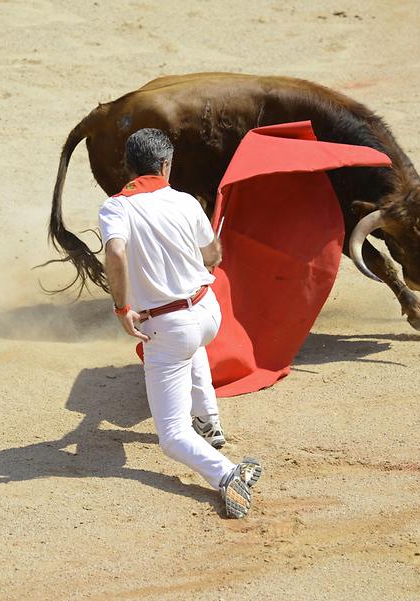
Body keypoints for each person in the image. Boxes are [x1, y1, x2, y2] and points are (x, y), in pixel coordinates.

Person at [97, 128, 262, 518]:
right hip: (207, 313)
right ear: (166, 165)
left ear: (129, 166)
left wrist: (122, 308)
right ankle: (209, 422)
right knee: (192, 347)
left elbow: (115, 253)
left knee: (170, 437)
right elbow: (213, 254)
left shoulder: (115, 208)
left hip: (171, 326)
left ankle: (227, 474)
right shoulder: (186, 201)